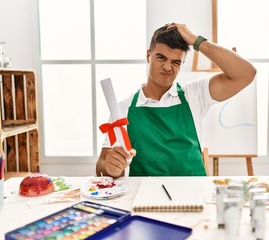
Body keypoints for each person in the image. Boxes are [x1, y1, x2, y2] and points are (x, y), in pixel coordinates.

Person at [96, 23, 256, 178]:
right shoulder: (123, 108)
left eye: (175, 62)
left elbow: (246, 74)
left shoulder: (195, 94)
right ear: (148, 56)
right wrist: (112, 168)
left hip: (194, 196)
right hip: (144, 198)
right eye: (161, 58)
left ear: (182, 64)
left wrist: (196, 41)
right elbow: (101, 167)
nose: (167, 67)